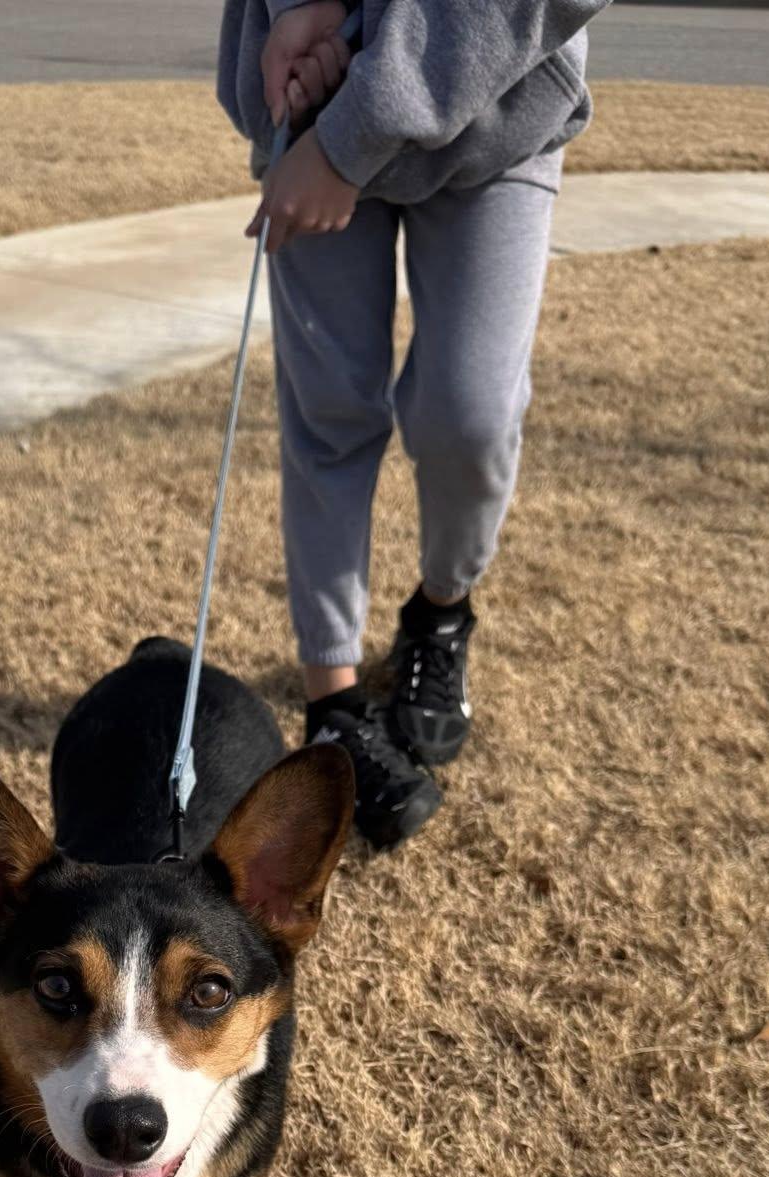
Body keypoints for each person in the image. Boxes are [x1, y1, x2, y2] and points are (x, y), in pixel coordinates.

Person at [218, 0, 606, 846]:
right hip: (314, 102)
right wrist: (307, 10)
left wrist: (348, 140)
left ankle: (440, 612)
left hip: (499, 109)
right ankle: (333, 707)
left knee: (470, 414)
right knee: (328, 410)